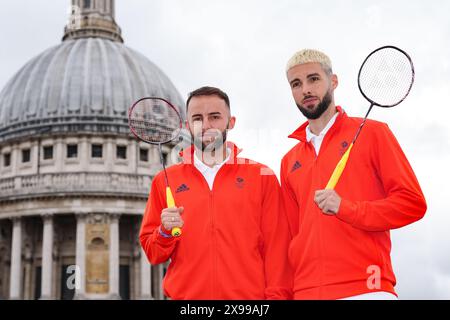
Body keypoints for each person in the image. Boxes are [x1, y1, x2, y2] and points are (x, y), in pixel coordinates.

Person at [280, 49, 427, 300]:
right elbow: (290, 235)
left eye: (313, 79)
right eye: (296, 83)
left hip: (365, 288)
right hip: (306, 292)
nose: (305, 89)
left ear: (333, 81)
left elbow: (412, 204)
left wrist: (347, 208)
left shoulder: (373, 133)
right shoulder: (289, 161)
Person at [140, 86, 292, 299]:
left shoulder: (261, 175)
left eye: (215, 117)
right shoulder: (164, 181)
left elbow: (278, 250)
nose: (206, 126)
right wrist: (164, 232)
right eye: (197, 118)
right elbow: (153, 253)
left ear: (231, 122)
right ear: (186, 125)